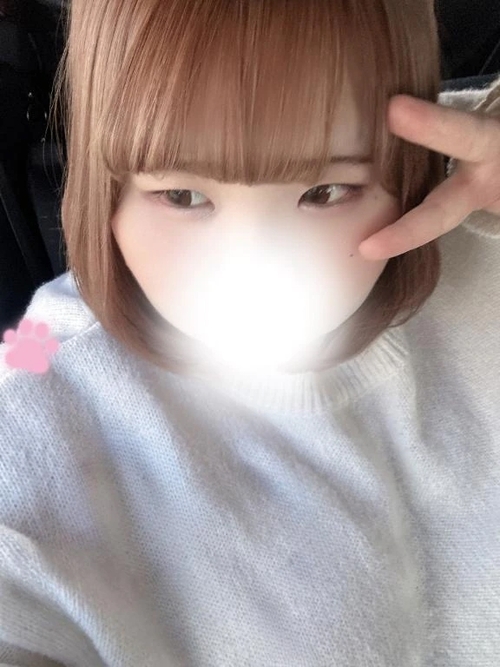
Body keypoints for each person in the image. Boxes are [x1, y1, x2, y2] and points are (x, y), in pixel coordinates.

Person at [0, 0, 499, 665]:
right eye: (183, 196)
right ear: (103, 189)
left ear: (408, 173)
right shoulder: (41, 378)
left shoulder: (479, 236)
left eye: (325, 192)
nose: (255, 263)